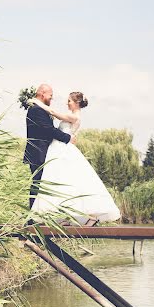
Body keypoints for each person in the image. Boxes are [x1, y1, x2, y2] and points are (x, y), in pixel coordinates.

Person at [31, 91, 121, 225]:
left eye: (69, 101)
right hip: (58, 148)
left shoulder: (75, 116)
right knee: (66, 184)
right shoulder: (72, 115)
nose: (67, 103)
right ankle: (68, 217)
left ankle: (91, 216)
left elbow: (53, 112)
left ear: (76, 103)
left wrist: (37, 103)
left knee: (71, 183)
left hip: (63, 150)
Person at [23, 84, 76, 209]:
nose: (51, 99)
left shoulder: (39, 109)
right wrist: (67, 138)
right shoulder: (36, 110)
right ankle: (32, 216)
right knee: (38, 183)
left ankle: (39, 213)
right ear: (43, 93)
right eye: (50, 96)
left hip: (41, 152)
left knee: (41, 183)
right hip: (38, 153)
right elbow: (48, 130)